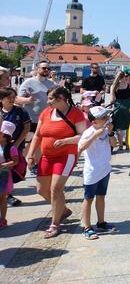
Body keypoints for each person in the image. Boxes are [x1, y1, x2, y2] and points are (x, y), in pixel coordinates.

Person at [26, 87, 88, 238]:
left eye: (51, 98)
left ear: (61, 98)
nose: (48, 101)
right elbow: (37, 135)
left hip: (66, 156)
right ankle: (63, 210)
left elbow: (83, 135)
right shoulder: (46, 112)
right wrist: (30, 154)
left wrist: (67, 140)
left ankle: (55, 223)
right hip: (47, 156)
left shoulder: (75, 113)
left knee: (56, 189)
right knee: (41, 189)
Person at [78, 106, 117, 240]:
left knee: (101, 196)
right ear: (94, 121)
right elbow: (81, 147)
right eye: (104, 117)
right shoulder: (88, 132)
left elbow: (114, 144)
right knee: (88, 198)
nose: (107, 119)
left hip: (104, 169)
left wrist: (111, 133)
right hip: (92, 171)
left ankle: (101, 222)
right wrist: (95, 134)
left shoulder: (107, 130)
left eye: (107, 116)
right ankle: (86, 227)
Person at [0, 87, 31, 206]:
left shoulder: (20, 111)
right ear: (1, 99)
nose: (12, 99)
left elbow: (26, 128)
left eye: (14, 97)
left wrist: (17, 143)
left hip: (14, 146)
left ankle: (7, 194)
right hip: (1, 147)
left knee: (12, 169)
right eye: (9, 97)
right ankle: (7, 195)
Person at [18, 61, 56, 133]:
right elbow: (17, 99)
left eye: (48, 68)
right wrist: (27, 100)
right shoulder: (28, 83)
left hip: (47, 119)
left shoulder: (52, 84)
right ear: (38, 69)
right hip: (32, 119)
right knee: (30, 142)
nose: (47, 70)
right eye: (44, 68)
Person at [0, 121, 19, 230]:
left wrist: (3, 165)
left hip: (4, 176)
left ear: (5, 135)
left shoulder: (11, 148)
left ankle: (3, 220)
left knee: (2, 199)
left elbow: (15, 161)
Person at [109, 71, 130, 151]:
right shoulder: (129, 85)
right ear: (124, 77)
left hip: (118, 107)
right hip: (128, 107)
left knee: (119, 128)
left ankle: (120, 146)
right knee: (128, 127)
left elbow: (112, 100)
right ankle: (127, 145)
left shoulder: (113, 86)